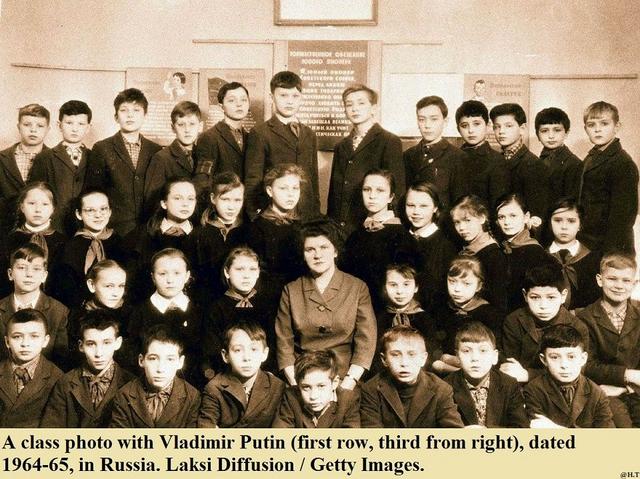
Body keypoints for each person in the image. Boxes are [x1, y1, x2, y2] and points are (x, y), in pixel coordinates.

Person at [276, 218, 376, 388]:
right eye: (310, 249)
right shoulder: (291, 290)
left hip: (344, 377)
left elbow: (366, 341)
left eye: (324, 247)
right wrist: (297, 384)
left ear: (335, 251)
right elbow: (283, 344)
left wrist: (348, 383)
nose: (317, 255)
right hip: (303, 378)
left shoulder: (357, 287)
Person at [328, 84, 404, 233]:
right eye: (349, 104)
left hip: (372, 225)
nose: (355, 109)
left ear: (373, 108)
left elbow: (397, 188)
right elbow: (334, 192)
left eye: (361, 103)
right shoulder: (341, 146)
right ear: (345, 111)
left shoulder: (389, 141)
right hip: (340, 226)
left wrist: (390, 225)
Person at [86, 88, 162, 235]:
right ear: (116, 117)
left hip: (150, 229)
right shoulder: (102, 148)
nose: (130, 115)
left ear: (145, 115)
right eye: (124, 110)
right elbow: (94, 191)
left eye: (136, 110)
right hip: (114, 230)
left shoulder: (156, 150)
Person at [244, 71, 319, 220]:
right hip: (273, 214)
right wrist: (255, 216)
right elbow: (253, 179)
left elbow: (313, 179)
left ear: (301, 98)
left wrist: (315, 213)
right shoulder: (260, 132)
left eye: (295, 96)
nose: (290, 101)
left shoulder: (309, 134)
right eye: (283, 95)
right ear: (272, 97)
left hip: (306, 214)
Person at [577, 253, 640, 427]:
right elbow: (586, 365)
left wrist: (627, 387)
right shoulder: (585, 318)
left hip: (636, 390)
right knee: (621, 428)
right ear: (600, 280)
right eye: (612, 279)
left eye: (626, 280)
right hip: (602, 392)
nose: (619, 286)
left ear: (634, 284)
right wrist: (627, 375)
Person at [41, 310, 134, 427]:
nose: (99, 353)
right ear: (81, 346)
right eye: (91, 344)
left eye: (106, 343)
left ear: (118, 343)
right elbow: (50, 429)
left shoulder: (131, 384)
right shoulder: (65, 383)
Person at [360, 325, 464, 428]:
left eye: (411, 355)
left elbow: (454, 434)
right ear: (384, 359)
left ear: (423, 359)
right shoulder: (371, 389)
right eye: (395, 355)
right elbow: (372, 435)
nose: (404, 363)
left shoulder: (441, 389)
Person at [127, 248, 203, 387]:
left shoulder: (198, 311)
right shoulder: (140, 312)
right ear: (153, 277)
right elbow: (133, 353)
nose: (170, 280)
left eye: (177, 273)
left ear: (187, 276)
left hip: (191, 385)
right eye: (162, 274)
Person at [501, 263, 588, 384]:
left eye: (551, 297)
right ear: (525, 295)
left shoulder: (577, 326)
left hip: (560, 386)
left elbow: (576, 371)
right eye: (535, 297)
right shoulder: (514, 321)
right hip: (520, 385)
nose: (543, 306)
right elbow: (510, 367)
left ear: (563, 296)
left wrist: (528, 375)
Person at [341, 169, 415, 310]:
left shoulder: (401, 236)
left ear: (391, 197)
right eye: (367, 189)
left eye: (380, 190)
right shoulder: (355, 236)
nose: (372, 196)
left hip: (387, 310)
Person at [203, 247, 280, 378]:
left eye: (252, 269)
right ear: (227, 272)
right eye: (239, 269)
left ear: (258, 273)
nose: (246, 276)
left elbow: (273, 346)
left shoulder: (268, 305)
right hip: (226, 375)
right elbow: (212, 350)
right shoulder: (216, 308)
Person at [110, 324, 200, 428]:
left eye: (170, 359)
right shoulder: (124, 394)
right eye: (153, 358)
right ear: (141, 360)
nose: (160, 369)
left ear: (180, 362)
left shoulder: (192, 396)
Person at [524, 324, 614, 428]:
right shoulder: (534, 390)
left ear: (583, 359)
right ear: (543, 360)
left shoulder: (597, 394)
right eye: (554, 357)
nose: (564, 365)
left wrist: (556, 429)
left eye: (571, 357)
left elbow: (608, 436)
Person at [125, 178, 199, 303]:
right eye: (177, 198)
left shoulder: (203, 236)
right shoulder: (142, 235)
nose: (185, 204)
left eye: (190, 199)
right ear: (164, 203)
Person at [49, 188, 125, 309]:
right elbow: (63, 288)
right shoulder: (68, 247)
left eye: (103, 209)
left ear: (110, 211)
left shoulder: (122, 244)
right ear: (79, 214)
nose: (98, 215)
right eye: (90, 210)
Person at [198, 321, 284, 428]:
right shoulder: (214, 388)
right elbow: (205, 428)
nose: (247, 358)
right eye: (238, 350)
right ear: (225, 356)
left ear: (264, 354)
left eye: (253, 349)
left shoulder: (277, 386)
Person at [578, 101, 638, 254]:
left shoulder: (623, 163)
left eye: (604, 124)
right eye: (591, 125)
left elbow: (623, 219)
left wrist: (611, 254)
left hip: (611, 247)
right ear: (585, 129)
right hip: (588, 241)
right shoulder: (591, 157)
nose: (597, 129)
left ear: (617, 127)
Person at [445, 321, 527, 427]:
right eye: (466, 351)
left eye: (483, 351)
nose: (475, 358)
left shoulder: (509, 384)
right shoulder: (445, 387)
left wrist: (488, 432)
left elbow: (521, 427)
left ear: (495, 357)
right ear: (457, 356)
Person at [0, 244, 68, 369]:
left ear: (44, 276)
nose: (29, 274)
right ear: (10, 274)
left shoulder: (58, 311)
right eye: (21, 268)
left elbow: (61, 360)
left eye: (36, 269)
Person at [29, 100, 92, 235]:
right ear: (59, 125)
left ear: (88, 128)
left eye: (81, 124)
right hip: (54, 227)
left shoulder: (95, 156)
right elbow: (36, 194)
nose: (75, 129)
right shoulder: (45, 157)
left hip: (86, 227)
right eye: (69, 123)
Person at [433, 256, 504, 374]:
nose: (457, 289)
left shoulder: (489, 314)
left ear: (478, 286)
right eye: (452, 281)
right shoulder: (441, 309)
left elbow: (496, 351)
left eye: (466, 284)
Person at [0, 308, 63, 427]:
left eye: (34, 336)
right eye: (17, 337)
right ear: (7, 342)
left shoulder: (57, 377)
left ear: (45, 341)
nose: (25, 344)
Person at [403, 96, 467, 211]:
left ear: (445, 122)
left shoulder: (457, 156)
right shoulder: (408, 155)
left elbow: (459, 203)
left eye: (434, 119)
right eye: (422, 119)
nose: (427, 125)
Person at [1, 182, 66, 297]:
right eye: (31, 203)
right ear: (22, 207)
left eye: (45, 204)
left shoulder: (64, 242)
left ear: (53, 209)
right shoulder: (9, 240)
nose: (38, 209)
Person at [246, 163, 305, 289]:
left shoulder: (302, 225)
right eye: (283, 188)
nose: (291, 194)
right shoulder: (256, 228)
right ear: (270, 191)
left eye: (295, 188)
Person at [490, 103, 550, 222]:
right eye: (497, 127)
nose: (501, 131)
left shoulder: (534, 165)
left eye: (508, 126)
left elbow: (537, 213)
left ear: (522, 128)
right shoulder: (496, 159)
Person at [195, 172, 249, 304]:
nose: (231, 206)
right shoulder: (199, 234)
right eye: (225, 199)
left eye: (237, 200)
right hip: (208, 300)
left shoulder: (249, 231)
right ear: (213, 198)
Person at [495, 193, 555, 311]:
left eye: (513, 216)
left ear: (526, 217)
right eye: (501, 217)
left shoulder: (535, 252)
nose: (507, 222)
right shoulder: (500, 248)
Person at [403, 181, 457, 310]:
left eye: (423, 206)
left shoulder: (446, 246)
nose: (416, 212)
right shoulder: (399, 239)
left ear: (435, 208)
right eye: (411, 205)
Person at [273, 349, 360, 428]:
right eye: (306, 387)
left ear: (335, 382)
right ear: (298, 384)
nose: (313, 396)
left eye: (321, 386)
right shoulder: (291, 397)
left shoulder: (348, 400)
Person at [0, 104, 51, 237]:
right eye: (27, 124)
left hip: (43, 230)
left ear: (48, 129)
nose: (33, 130)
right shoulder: (2, 158)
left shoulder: (54, 159)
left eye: (40, 126)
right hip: (5, 228)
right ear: (18, 126)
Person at [450, 195, 508, 311]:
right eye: (457, 222)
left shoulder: (494, 256)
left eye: (467, 220)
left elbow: (499, 303)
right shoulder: (464, 250)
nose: (461, 228)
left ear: (482, 218)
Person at [546, 197, 601, 310]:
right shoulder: (540, 256)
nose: (564, 227)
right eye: (557, 220)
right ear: (550, 223)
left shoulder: (593, 259)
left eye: (571, 221)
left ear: (580, 225)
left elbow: (596, 301)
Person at [145, 101, 203, 206]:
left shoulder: (204, 154)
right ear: (173, 128)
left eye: (192, 124)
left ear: (200, 126)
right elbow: (153, 201)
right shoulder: (161, 158)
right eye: (181, 125)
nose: (187, 130)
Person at [194, 82, 249, 187]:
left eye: (243, 100)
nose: (239, 104)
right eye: (232, 100)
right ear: (221, 106)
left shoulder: (251, 137)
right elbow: (203, 180)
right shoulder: (209, 137)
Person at [455, 100, 508, 210]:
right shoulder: (453, 157)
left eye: (476, 124)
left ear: (487, 126)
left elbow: (498, 205)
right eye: (464, 126)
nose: (470, 130)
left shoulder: (497, 161)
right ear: (458, 129)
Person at [534, 107, 582, 206]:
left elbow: (571, 203)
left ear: (566, 133)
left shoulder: (574, 164)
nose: (551, 136)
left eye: (557, 130)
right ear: (537, 135)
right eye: (544, 131)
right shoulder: (536, 161)